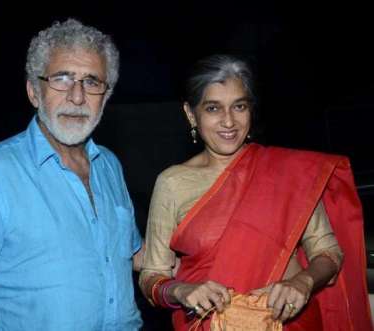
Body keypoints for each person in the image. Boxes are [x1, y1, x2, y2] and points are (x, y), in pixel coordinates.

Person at [0, 18, 144, 331]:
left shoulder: (109, 165)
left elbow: (134, 254)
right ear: (34, 92)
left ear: (105, 96)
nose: (77, 96)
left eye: (91, 82)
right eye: (62, 79)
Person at [139, 54, 372, 330]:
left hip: (291, 323)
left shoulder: (286, 172)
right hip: (211, 324)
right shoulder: (172, 183)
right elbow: (152, 277)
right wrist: (181, 292)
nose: (229, 122)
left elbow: (329, 253)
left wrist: (302, 282)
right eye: (213, 108)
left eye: (239, 106)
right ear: (191, 114)